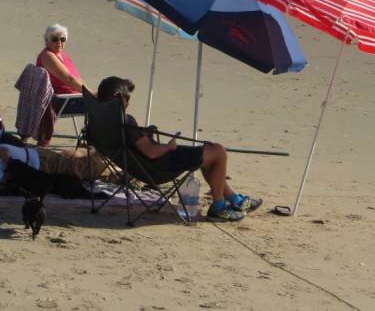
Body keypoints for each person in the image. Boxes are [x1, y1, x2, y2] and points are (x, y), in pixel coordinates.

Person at [97, 75, 262, 222]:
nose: (128, 102)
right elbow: (151, 152)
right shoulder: (126, 120)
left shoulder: (103, 121)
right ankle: (219, 208)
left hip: (141, 166)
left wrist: (143, 135)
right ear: (117, 96)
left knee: (207, 157)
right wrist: (169, 146)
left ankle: (235, 200)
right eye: (127, 97)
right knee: (218, 151)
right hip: (160, 166)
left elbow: (136, 146)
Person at [0, 143, 104, 188]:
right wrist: (6, 159)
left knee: (78, 159)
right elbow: (4, 181)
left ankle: (107, 163)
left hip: (36, 154)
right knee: (81, 167)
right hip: (39, 165)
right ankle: (114, 171)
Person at [36, 24, 88, 117]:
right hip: (62, 102)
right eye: (55, 39)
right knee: (103, 105)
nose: (59, 42)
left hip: (74, 98)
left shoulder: (62, 55)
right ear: (46, 40)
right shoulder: (48, 56)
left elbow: (77, 78)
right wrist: (90, 94)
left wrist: (89, 93)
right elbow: (69, 79)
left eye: (62, 39)